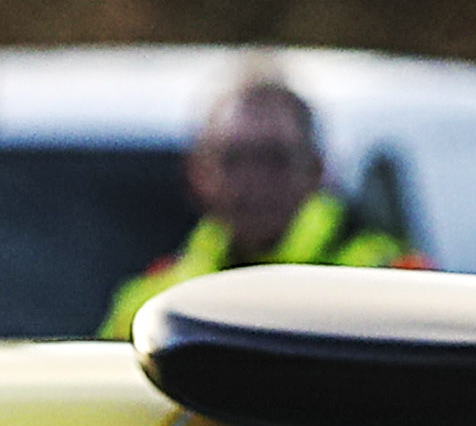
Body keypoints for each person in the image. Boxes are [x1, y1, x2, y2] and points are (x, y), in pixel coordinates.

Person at [101, 72, 412, 335]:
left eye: (275, 159)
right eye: (233, 160)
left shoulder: (389, 284)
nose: (253, 182)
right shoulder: (151, 307)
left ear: (316, 171)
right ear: (199, 174)